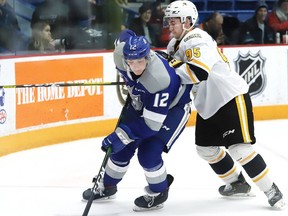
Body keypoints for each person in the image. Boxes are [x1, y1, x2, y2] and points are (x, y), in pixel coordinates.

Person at [162, 0, 287, 210]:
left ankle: (271, 190)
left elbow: (198, 72)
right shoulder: (173, 45)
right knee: (206, 149)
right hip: (207, 103)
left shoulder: (196, 38)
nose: (169, 26)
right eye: (169, 22)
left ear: (188, 22)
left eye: (173, 22)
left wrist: (167, 67)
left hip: (229, 97)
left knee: (239, 148)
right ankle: (237, 183)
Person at [82, 30, 192, 211]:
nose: (136, 67)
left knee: (148, 153)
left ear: (148, 56)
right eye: (131, 62)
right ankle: (107, 186)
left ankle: (159, 192)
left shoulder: (159, 79)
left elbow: (151, 125)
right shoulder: (119, 54)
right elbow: (125, 34)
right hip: (140, 101)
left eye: (141, 61)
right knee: (120, 149)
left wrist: (122, 135)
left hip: (172, 109)